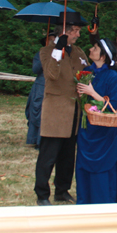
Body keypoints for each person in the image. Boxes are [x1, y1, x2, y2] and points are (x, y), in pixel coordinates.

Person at [34, 12, 89, 206]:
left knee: (67, 157)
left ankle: (62, 190)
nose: (78, 35)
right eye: (76, 31)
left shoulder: (78, 51)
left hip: (74, 111)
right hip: (56, 112)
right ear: (66, 31)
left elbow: (88, 71)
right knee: (48, 156)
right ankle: (42, 194)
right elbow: (51, 75)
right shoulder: (46, 51)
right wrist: (58, 49)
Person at [75, 38, 117, 204]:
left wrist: (92, 93)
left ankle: (104, 198)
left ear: (103, 56)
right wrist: (81, 95)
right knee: (84, 163)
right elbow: (84, 102)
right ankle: (85, 198)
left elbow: (112, 106)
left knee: (104, 167)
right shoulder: (86, 72)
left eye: (95, 48)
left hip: (106, 131)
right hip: (88, 127)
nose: (91, 49)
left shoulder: (113, 76)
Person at [24, 29, 58, 148]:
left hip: (53, 88)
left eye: (54, 39)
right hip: (40, 87)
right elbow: (35, 69)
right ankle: (34, 139)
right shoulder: (39, 54)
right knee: (37, 112)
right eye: (50, 39)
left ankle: (43, 141)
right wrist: (46, 57)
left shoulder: (59, 54)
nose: (52, 41)